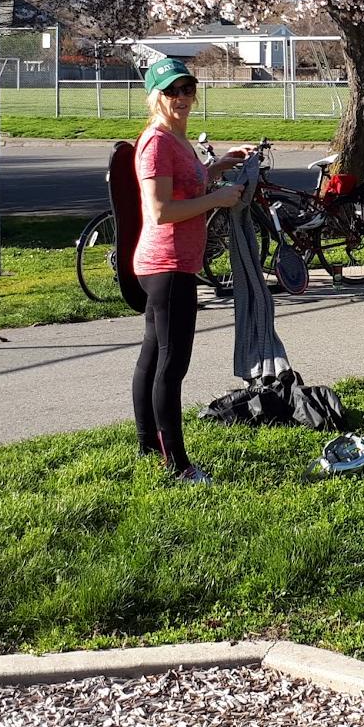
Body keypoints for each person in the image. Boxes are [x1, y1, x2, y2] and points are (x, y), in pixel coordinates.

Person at [131, 56, 247, 485]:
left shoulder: (177, 139)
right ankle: (177, 465)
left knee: (152, 354)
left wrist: (218, 168)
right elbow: (161, 211)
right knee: (171, 364)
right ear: (154, 97)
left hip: (172, 264)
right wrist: (218, 199)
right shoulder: (156, 143)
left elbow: (188, 183)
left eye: (187, 89)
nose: (181, 98)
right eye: (171, 91)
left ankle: (147, 442)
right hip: (167, 265)